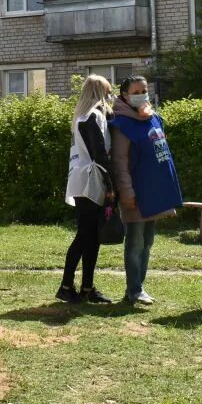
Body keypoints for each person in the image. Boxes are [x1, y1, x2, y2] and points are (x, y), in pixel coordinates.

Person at [110, 76, 183, 306]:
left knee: (148, 241)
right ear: (124, 95)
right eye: (136, 91)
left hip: (154, 191)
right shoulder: (122, 125)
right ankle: (134, 290)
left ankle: (137, 288)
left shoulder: (152, 118)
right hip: (136, 193)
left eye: (144, 90)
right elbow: (120, 163)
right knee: (135, 243)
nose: (142, 94)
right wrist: (127, 193)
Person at [59, 74, 116, 304]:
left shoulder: (82, 116)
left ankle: (87, 287)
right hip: (91, 180)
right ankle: (66, 285)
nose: (109, 97)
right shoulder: (93, 117)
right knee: (85, 236)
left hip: (81, 178)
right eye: (108, 92)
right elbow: (99, 154)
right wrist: (110, 186)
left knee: (91, 237)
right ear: (100, 93)